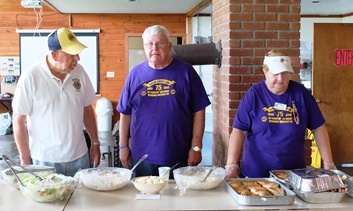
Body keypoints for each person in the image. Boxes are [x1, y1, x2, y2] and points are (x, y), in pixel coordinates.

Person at [117, 25, 211, 178]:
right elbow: (125, 113)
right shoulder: (134, 75)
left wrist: (196, 147)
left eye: (160, 43)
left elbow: (199, 110)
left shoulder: (186, 72)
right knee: (144, 198)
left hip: (178, 154)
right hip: (142, 156)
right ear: (144, 47)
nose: (154, 48)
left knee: (176, 199)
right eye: (149, 44)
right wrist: (123, 146)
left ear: (169, 46)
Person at [225, 49, 336, 178]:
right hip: (257, 173)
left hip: (293, 174)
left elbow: (318, 127)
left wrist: (328, 162)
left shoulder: (301, 94)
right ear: (265, 71)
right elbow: (239, 130)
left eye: (285, 73)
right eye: (275, 74)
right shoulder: (254, 95)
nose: (280, 79)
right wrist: (231, 164)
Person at [12, 27, 101, 176]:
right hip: (44, 160)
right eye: (72, 54)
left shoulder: (79, 71)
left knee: (82, 198)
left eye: (77, 54)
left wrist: (95, 142)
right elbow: (18, 119)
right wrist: (25, 159)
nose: (77, 59)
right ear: (54, 55)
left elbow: (87, 108)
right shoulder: (31, 76)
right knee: (47, 198)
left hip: (79, 156)